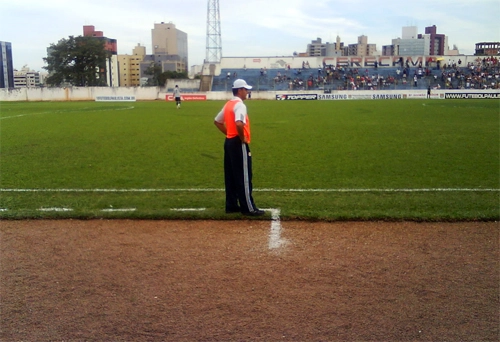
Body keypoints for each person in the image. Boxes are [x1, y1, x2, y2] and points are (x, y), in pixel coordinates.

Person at [213, 79, 264, 216]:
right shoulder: (240, 105)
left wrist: (229, 134)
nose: (247, 92)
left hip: (229, 142)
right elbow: (239, 124)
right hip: (238, 143)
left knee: (231, 175)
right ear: (240, 90)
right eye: (246, 89)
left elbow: (217, 121)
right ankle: (248, 207)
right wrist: (242, 138)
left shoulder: (228, 104)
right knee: (244, 175)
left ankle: (231, 205)